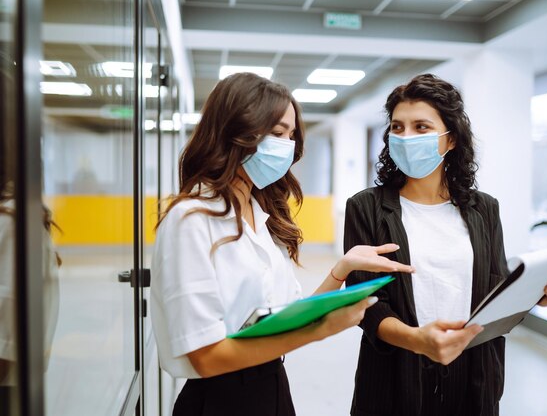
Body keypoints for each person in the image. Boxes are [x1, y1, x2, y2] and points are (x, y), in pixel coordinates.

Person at [150, 72, 414, 416]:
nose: (286, 145)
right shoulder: (190, 221)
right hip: (218, 399)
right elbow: (206, 357)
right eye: (276, 133)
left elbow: (288, 317)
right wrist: (319, 331)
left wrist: (342, 268)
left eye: (291, 135)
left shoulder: (260, 215)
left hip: (272, 386)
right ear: (234, 131)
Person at [343, 73, 547, 416]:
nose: (406, 137)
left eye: (421, 127)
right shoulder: (366, 207)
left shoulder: (484, 208)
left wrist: (539, 293)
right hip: (396, 374)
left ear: (450, 139)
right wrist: (418, 340)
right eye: (397, 127)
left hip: (474, 374)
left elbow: (494, 287)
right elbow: (366, 304)